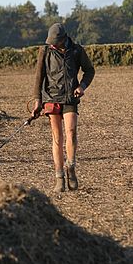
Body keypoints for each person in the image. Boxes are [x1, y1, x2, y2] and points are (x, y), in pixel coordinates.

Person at [32, 22, 95, 192]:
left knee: (71, 132)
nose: (51, 44)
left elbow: (89, 70)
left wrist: (82, 86)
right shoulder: (45, 52)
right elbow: (39, 77)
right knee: (57, 138)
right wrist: (37, 99)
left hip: (70, 98)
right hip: (51, 98)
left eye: (54, 41)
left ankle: (71, 167)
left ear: (63, 39)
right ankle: (59, 177)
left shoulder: (76, 50)